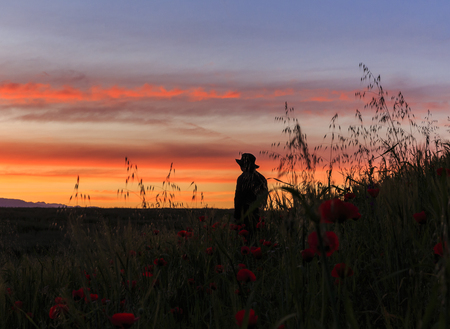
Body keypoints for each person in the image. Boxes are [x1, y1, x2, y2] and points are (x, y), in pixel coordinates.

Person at [234, 153, 268, 236]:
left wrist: (237, 217)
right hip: (258, 215)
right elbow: (264, 199)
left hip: (244, 215)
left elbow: (238, 198)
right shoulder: (261, 178)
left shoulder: (242, 178)